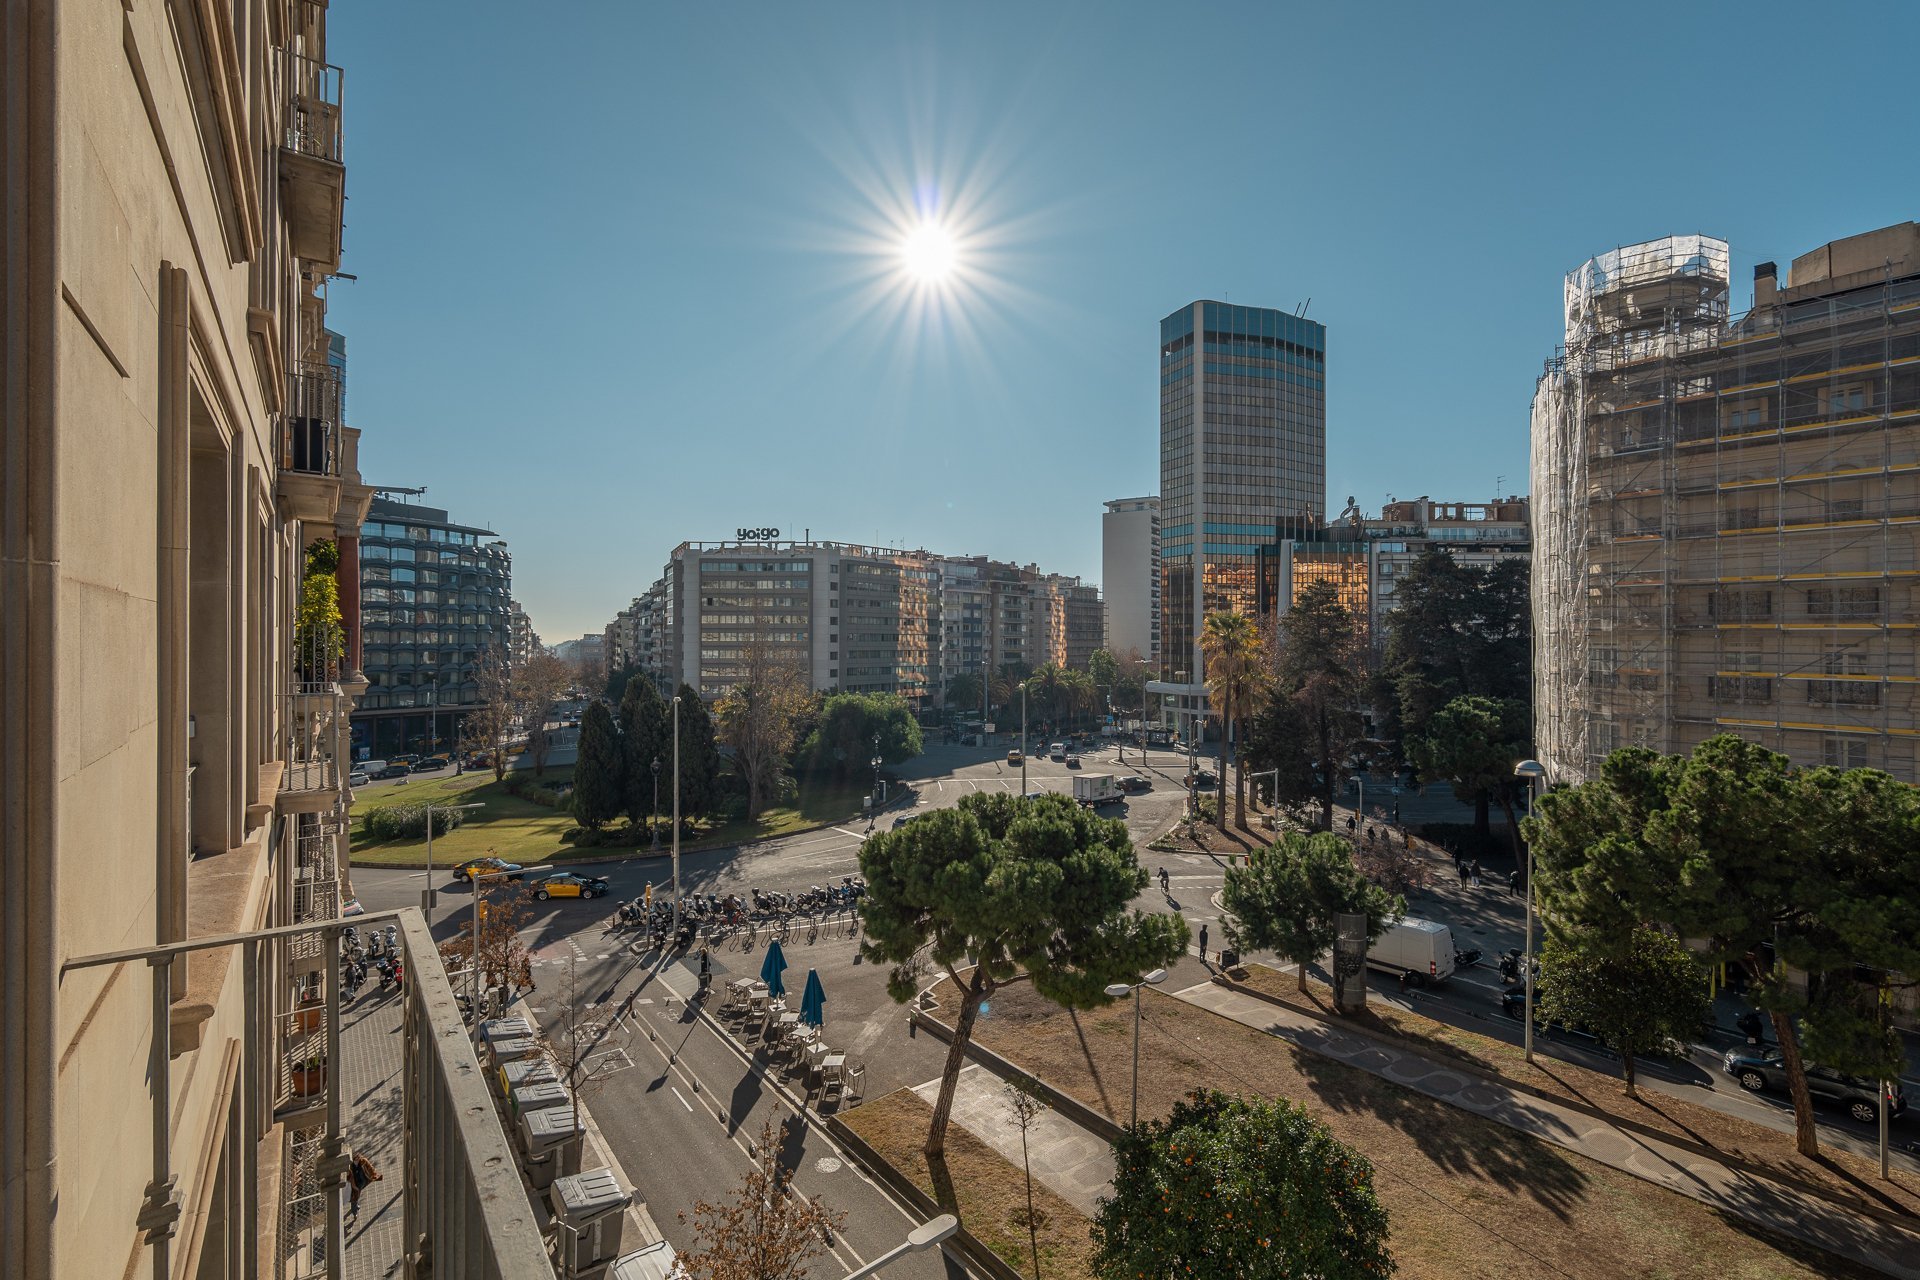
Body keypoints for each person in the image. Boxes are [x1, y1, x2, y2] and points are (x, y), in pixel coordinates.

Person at [347, 1148, 381, 1215]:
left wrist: (374, 1175)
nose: (358, 1160)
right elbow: (349, 1177)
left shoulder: (363, 1161)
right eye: (356, 1159)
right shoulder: (350, 1166)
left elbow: (370, 1167)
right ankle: (354, 1211)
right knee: (355, 1196)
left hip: (362, 1182)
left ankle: (355, 1205)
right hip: (354, 1183)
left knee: (357, 1195)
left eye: (358, 1158)